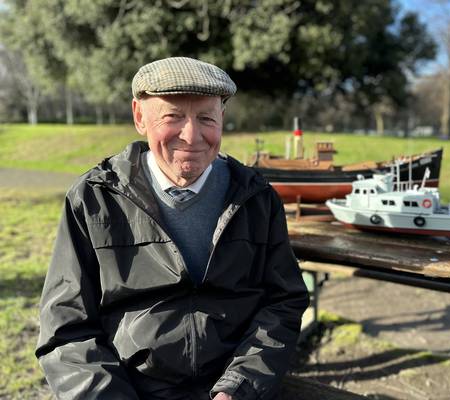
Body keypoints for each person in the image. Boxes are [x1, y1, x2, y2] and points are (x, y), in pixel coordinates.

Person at [35, 57, 309, 400]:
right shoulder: (93, 199)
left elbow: (283, 303)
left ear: (222, 118)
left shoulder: (258, 198)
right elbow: (66, 331)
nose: (192, 136)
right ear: (139, 116)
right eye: (173, 116)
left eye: (206, 118)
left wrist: (239, 387)